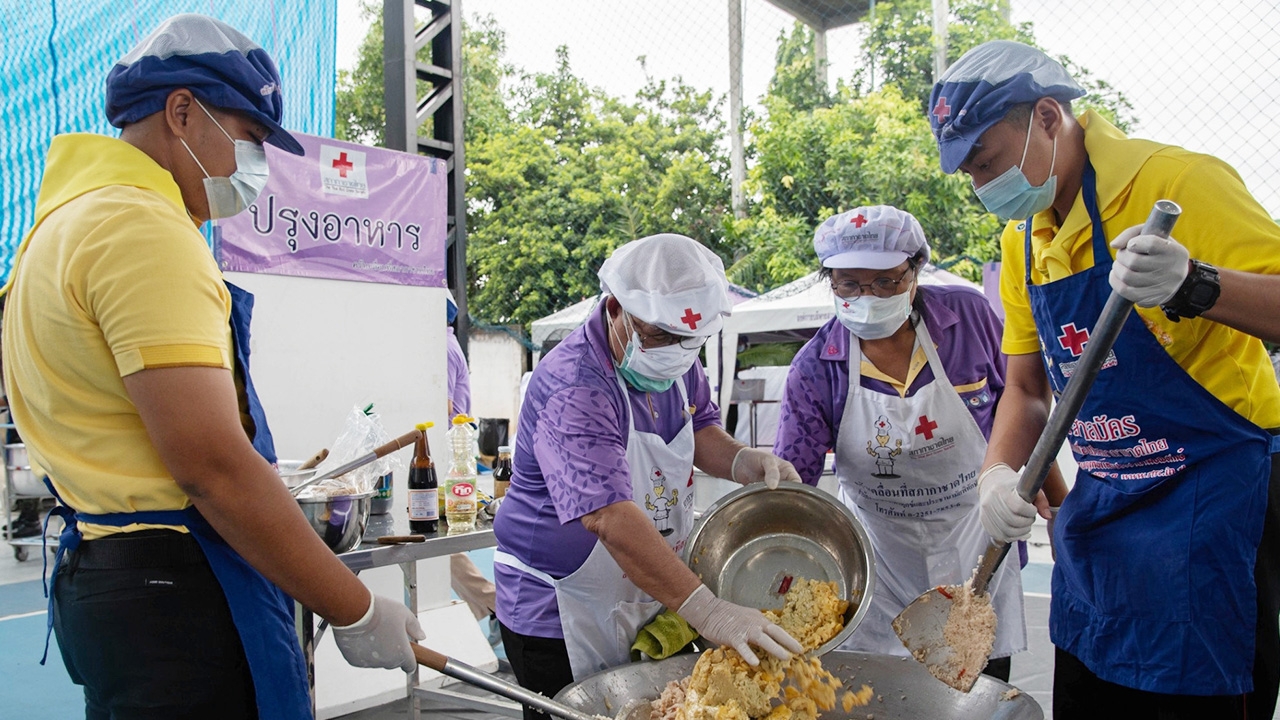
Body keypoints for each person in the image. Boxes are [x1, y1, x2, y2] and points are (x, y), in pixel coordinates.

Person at [0, 15, 423, 718]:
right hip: (176, 586)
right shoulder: (140, 230)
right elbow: (212, 466)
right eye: (251, 138)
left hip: (110, 576)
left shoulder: (58, 225)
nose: (255, 164)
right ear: (182, 111)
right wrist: (352, 609)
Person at [928, 39, 1280, 718]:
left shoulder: (1176, 182)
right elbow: (1027, 388)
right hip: (1105, 516)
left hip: (1214, 506)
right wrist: (997, 473)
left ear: (1050, 117)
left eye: (988, 162)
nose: (980, 187)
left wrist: (1196, 284)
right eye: (967, 173)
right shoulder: (1022, 239)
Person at [492, 234, 805, 716]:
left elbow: (698, 427)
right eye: (661, 336)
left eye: (692, 341)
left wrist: (745, 461)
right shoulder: (575, 384)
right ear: (615, 307)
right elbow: (610, 518)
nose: (678, 352)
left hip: (648, 591)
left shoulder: (675, 359)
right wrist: (709, 611)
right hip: (561, 611)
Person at [774, 205, 1060, 680]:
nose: (867, 297)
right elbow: (794, 489)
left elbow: (1025, 405)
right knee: (887, 691)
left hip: (976, 533)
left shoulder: (966, 320)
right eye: (848, 284)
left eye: (885, 282)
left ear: (915, 271)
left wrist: (1059, 506)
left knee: (978, 685)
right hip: (883, 555)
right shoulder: (815, 368)